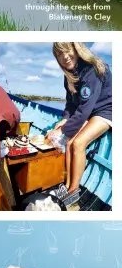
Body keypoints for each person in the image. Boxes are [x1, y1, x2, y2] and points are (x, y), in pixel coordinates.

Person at [46, 42, 112, 194]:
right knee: (69, 142)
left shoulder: (91, 69)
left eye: (67, 51)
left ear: (76, 49)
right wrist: (64, 120)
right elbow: (71, 104)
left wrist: (62, 130)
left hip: (106, 110)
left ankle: (74, 190)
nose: (65, 57)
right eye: (59, 55)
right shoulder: (69, 75)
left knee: (78, 143)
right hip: (90, 111)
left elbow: (84, 109)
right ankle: (67, 184)